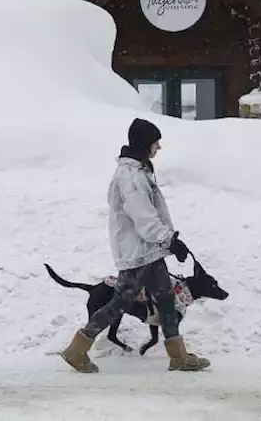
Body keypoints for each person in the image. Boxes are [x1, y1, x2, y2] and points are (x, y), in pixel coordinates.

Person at [59, 118, 211, 373]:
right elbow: (143, 217)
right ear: (144, 144)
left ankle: (178, 356)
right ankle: (77, 349)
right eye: (155, 142)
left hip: (150, 252)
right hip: (138, 254)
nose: (158, 147)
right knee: (118, 304)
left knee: (166, 302)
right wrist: (169, 239)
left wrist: (168, 241)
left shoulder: (139, 172)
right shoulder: (129, 176)